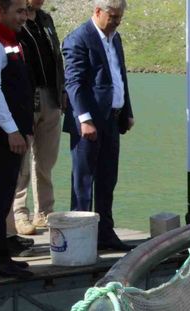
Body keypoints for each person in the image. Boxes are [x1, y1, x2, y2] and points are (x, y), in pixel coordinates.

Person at [62, 0, 135, 251]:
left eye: (119, 17)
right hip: (88, 123)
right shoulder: (78, 39)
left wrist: (127, 111)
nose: (116, 21)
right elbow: (74, 83)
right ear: (97, 11)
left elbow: (119, 76)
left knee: (107, 179)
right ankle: (80, 237)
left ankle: (105, 233)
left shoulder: (115, 38)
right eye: (113, 16)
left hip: (112, 119)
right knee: (83, 181)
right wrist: (84, 119)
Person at [0, 0, 33, 278]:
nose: (24, 17)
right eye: (18, 11)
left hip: (10, 130)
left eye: (25, 11)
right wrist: (11, 130)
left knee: (1, 194)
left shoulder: (6, 38)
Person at [7, 0, 64, 235]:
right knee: (22, 161)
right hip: (26, 98)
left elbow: (57, 57)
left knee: (47, 158)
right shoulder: (16, 21)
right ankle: (19, 213)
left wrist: (63, 90)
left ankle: (45, 212)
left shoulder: (45, 19)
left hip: (51, 95)